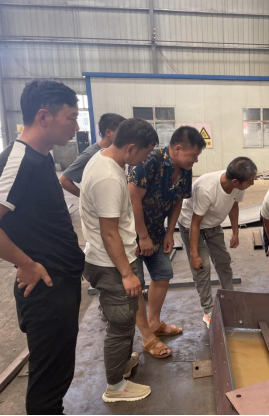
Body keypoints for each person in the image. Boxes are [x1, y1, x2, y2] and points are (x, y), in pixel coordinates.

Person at [0, 80, 84, 414]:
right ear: (44, 117)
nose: (76, 127)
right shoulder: (18, 160)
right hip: (45, 288)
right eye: (71, 118)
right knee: (47, 386)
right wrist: (25, 263)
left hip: (61, 282)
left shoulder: (42, 158)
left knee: (58, 375)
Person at [80, 118, 158, 403]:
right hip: (110, 264)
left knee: (125, 318)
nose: (144, 160)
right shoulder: (109, 178)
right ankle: (115, 387)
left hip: (111, 258)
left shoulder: (106, 160)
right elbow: (109, 233)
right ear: (131, 148)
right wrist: (127, 273)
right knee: (121, 324)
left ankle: (122, 365)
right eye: (145, 154)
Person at [128, 126, 205, 341]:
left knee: (163, 274)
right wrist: (143, 237)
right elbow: (133, 200)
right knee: (136, 283)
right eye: (194, 155)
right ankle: (144, 334)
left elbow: (178, 200)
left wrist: (170, 233)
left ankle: (154, 322)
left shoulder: (184, 169)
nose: (195, 160)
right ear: (178, 148)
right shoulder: (150, 160)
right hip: (131, 233)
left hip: (157, 231)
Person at [179, 157, 257, 329]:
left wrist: (236, 232)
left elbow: (234, 206)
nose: (252, 184)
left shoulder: (237, 185)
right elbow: (195, 223)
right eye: (250, 181)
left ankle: (229, 298)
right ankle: (208, 310)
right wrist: (194, 255)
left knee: (223, 261)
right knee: (202, 267)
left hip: (213, 224)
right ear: (235, 181)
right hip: (191, 224)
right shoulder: (206, 189)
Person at [60, 113, 125, 197]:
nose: (125, 136)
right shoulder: (90, 154)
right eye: (121, 133)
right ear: (108, 133)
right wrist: (87, 199)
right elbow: (64, 180)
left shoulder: (117, 152)